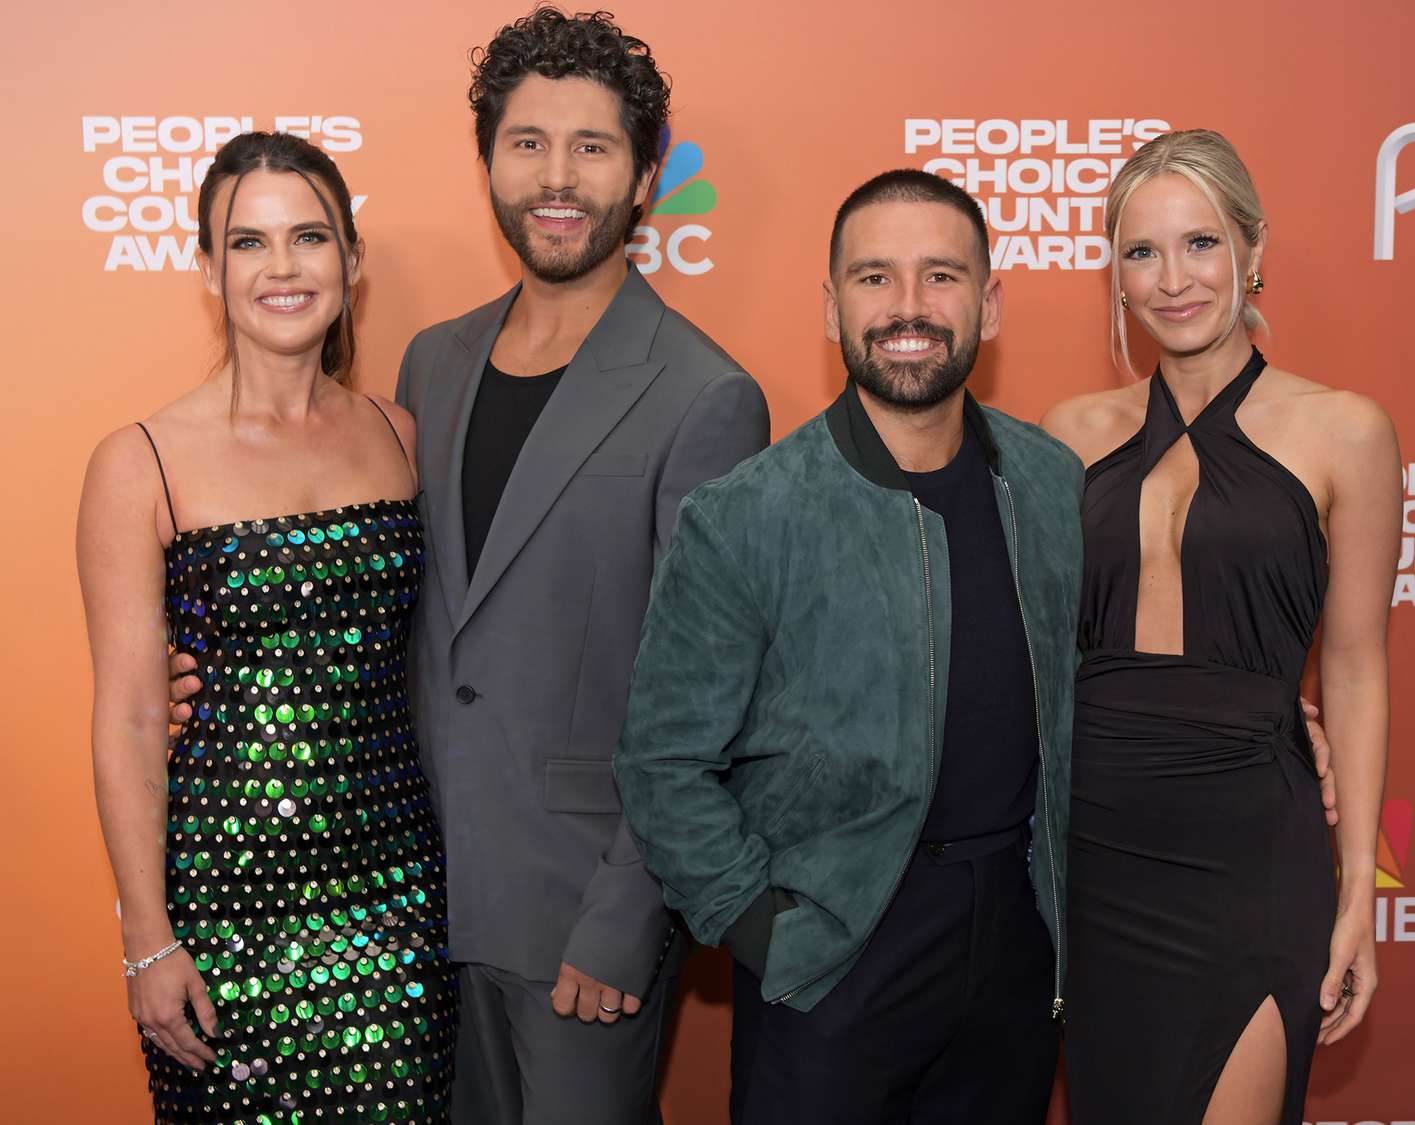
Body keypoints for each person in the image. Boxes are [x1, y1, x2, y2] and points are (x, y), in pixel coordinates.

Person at [170, 10, 767, 1123]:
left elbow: (708, 697)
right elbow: (386, 600)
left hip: (579, 923)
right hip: (402, 902)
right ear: (488, 160)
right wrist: (218, 674)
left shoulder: (704, 395)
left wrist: (629, 915)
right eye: (527, 142)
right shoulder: (430, 365)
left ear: (644, 179)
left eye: (592, 146)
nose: (557, 176)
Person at [614, 170, 1080, 1124]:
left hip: (1017, 949)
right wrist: (769, 932)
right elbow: (662, 761)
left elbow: (1108, 678)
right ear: (831, 310)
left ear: (988, 305)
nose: (908, 308)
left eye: (941, 277)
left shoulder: (1054, 484)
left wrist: (1278, 717)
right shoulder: (745, 516)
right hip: (832, 950)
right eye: (874, 278)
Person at [78, 131, 457, 1121]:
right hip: (224, 909)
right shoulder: (140, 462)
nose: (282, 268)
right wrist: (148, 939)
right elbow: (126, 719)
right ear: (209, 270)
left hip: (393, 900)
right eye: (248, 244)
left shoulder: (400, 433)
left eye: (310, 238)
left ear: (352, 260)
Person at [1042, 129, 1398, 1125]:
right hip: (1093, 854)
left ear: (1253, 249)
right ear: (1114, 273)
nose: (1173, 280)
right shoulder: (1066, 435)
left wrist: (1358, 895)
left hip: (1250, 851)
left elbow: (1359, 667)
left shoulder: (1346, 431)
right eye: (1142, 252)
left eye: (1200, 244)